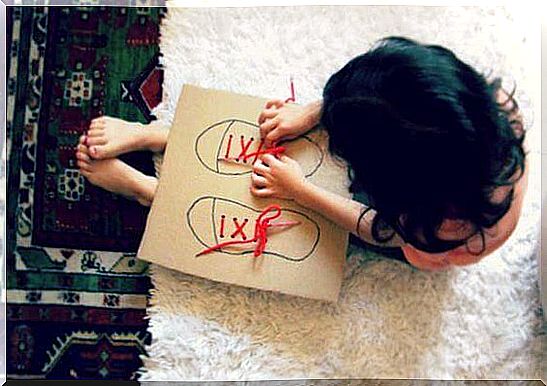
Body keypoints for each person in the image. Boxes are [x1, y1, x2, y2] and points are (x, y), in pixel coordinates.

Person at [76, 36, 527, 271]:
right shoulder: (497, 110)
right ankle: (160, 137)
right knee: (280, 142)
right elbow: (400, 84)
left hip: (407, 233)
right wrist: (316, 112)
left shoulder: (441, 237)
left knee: (282, 212)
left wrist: (300, 191)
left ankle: (152, 192)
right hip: (426, 182)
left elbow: (375, 228)